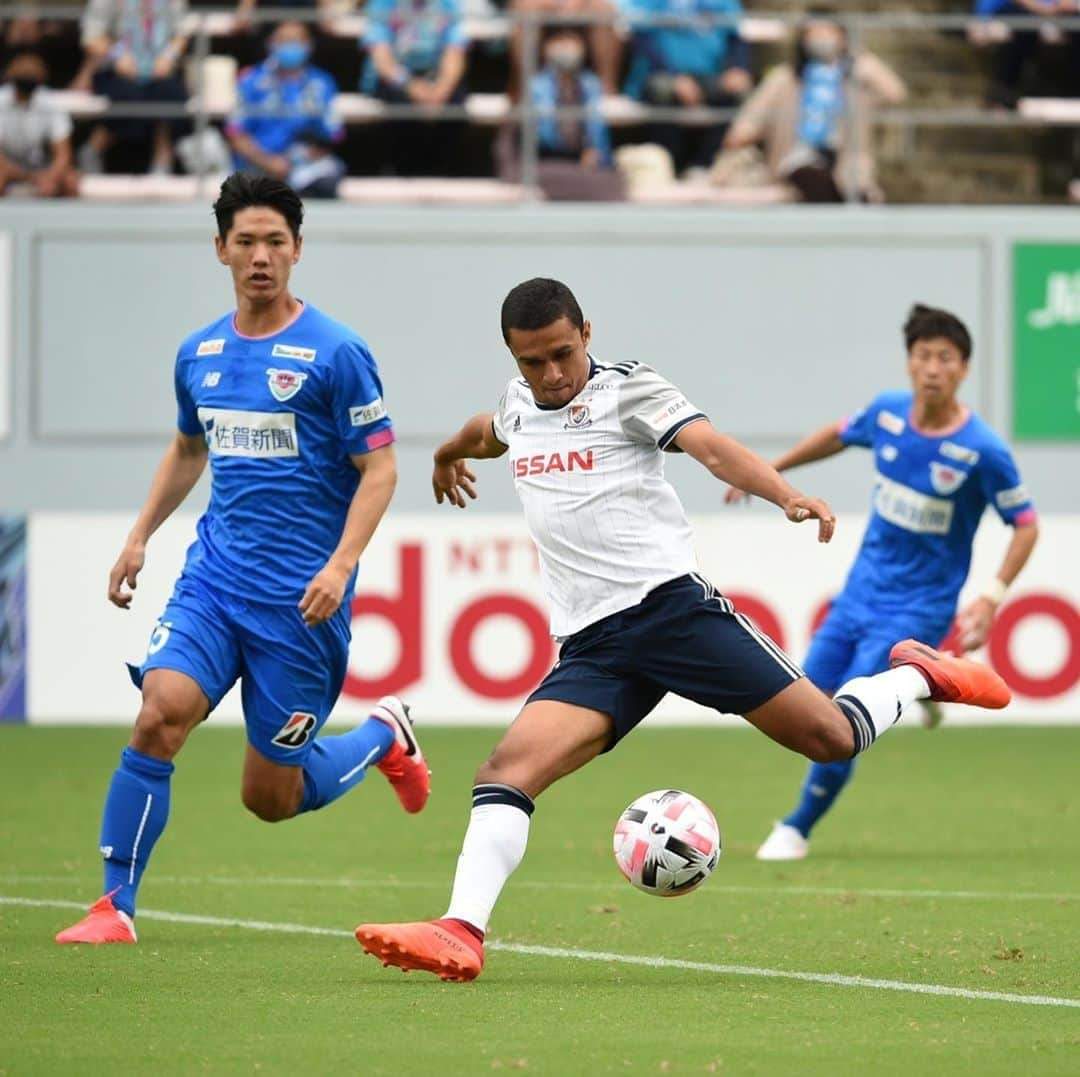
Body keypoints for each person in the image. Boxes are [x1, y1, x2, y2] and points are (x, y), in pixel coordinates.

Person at [354, 278, 1012, 982]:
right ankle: (461, 930)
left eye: (562, 354)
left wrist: (785, 494)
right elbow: (487, 430)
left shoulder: (628, 390)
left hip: (672, 613)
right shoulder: (522, 404)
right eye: (531, 362)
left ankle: (919, 672)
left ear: (587, 333)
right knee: (505, 773)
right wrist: (446, 453)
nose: (551, 375)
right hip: (594, 646)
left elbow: (712, 448)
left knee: (830, 737)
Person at [55, 173, 429, 945]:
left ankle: (383, 736)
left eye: (277, 242)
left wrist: (340, 564)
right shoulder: (200, 353)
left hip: (301, 606)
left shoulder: (336, 352)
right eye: (247, 241)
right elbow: (191, 447)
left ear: (298, 250)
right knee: (159, 713)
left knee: (270, 796)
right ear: (221, 247)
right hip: (215, 582)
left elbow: (382, 468)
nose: (261, 256)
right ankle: (113, 905)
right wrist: (139, 536)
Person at [743, 304, 1038, 861]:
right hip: (859, 594)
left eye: (944, 358)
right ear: (909, 363)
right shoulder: (887, 415)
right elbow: (839, 433)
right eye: (922, 356)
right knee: (807, 695)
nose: (932, 368)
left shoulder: (983, 450)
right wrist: (775, 472)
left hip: (919, 606)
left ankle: (797, 828)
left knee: (842, 717)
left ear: (963, 369)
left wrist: (993, 596)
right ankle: (926, 686)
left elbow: (1025, 525)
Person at [722, 10, 905, 202]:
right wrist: (742, 133)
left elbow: (894, 92)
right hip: (797, 157)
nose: (820, 39)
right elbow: (753, 116)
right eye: (813, 33)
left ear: (842, 37)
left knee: (850, 187)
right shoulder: (786, 77)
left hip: (845, 162)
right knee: (810, 177)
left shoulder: (855, 80)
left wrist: (857, 59)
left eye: (827, 32)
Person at [622, 0, 753, 178]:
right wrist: (675, 77)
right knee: (662, 89)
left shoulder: (723, 3)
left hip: (710, 75)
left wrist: (738, 68)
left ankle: (705, 165)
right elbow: (644, 43)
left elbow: (735, 39)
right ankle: (670, 166)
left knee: (737, 90)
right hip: (660, 74)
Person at [496, 26, 625, 201]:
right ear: (547, 48)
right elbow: (536, 135)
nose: (567, 49)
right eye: (561, 42)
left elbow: (597, 130)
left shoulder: (590, 84)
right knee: (544, 178)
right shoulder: (534, 85)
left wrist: (594, 149)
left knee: (611, 182)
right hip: (542, 158)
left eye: (572, 42)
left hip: (576, 162)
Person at [226, 21, 345, 199]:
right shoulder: (251, 80)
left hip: (302, 168)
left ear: (309, 46)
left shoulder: (321, 82)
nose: (290, 46)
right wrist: (269, 162)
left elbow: (334, 134)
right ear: (271, 44)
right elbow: (235, 133)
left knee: (330, 174)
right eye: (284, 40)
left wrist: (308, 154)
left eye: (296, 41)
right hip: (257, 165)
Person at [75, 0, 191, 175]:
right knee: (129, 95)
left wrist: (168, 57)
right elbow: (91, 36)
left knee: (170, 92)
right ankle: (93, 149)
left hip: (160, 69)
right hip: (115, 68)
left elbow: (182, 33)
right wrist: (117, 56)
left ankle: (162, 159)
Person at [362, 0, 468, 177]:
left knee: (457, 99)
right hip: (395, 75)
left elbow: (455, 50)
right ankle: (400, 172)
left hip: (434, 75)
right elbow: (382, 58)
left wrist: (442, 88)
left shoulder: (448, 4)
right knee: (400, 101)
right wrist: (410, 85)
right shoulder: (382, 4)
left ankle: (440, 171)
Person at [0, 50, 79, 197]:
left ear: (42, 75)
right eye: (24, 72)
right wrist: (30, 177)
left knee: (70, 182)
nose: (28, 75)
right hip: (8, 166)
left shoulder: (51, 103)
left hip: (40, 165)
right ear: (10, 73)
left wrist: (50, 176)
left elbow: (63, 154)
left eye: (32, 72)